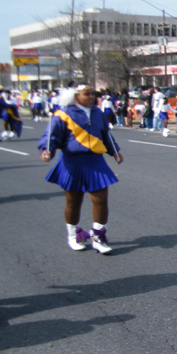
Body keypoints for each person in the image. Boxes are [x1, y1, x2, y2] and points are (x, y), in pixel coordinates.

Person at [38, 84, 124, 254]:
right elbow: (51, 136)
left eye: (93, 94)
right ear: (76, 96)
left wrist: (114, 151)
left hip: (95, 161)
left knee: (100, 199)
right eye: (87, 94)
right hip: (72, 162)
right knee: (74, 202)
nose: (92, 97)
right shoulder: (63, 114)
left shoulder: (98, 113)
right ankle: (73, 235)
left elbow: (106, 134)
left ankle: (98, 236)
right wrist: (47, 149)